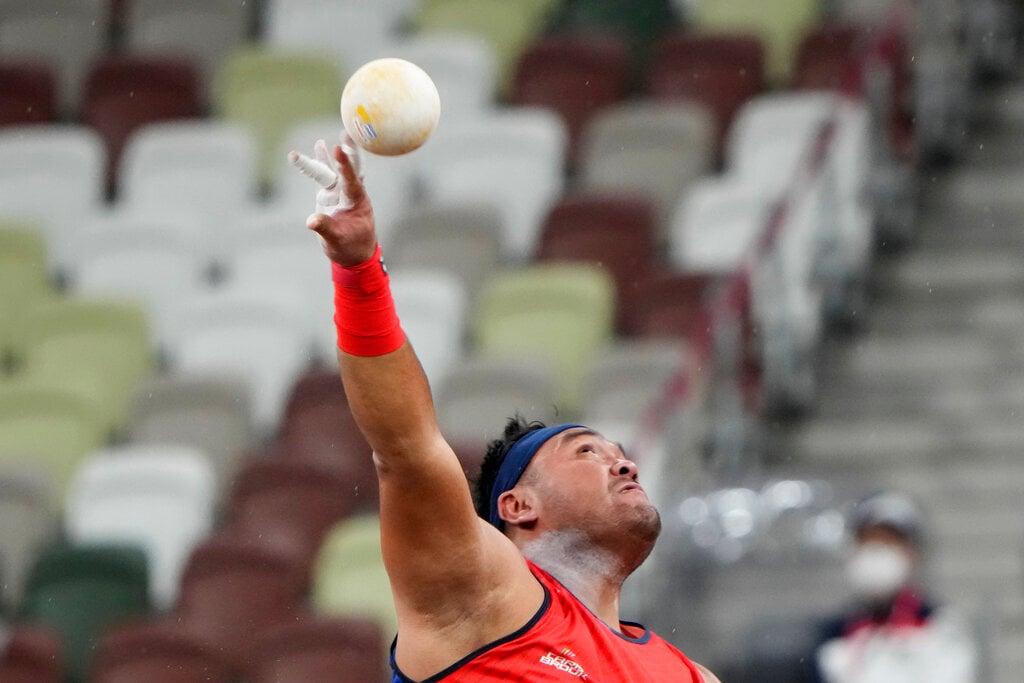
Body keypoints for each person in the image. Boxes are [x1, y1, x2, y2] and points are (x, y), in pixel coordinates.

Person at [291, 136, 720, 682]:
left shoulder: (689, 675)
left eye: (619, 454)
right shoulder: (482, 596)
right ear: (517, 506)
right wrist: (357, 271)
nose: (626, 464)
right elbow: (407, 451)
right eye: (587, 451)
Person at [810, 491, 977, 683]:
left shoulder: (943, 627)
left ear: (913, 553)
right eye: (868, 541)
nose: (877, 552)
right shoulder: (834, 635)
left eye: (888, 541)